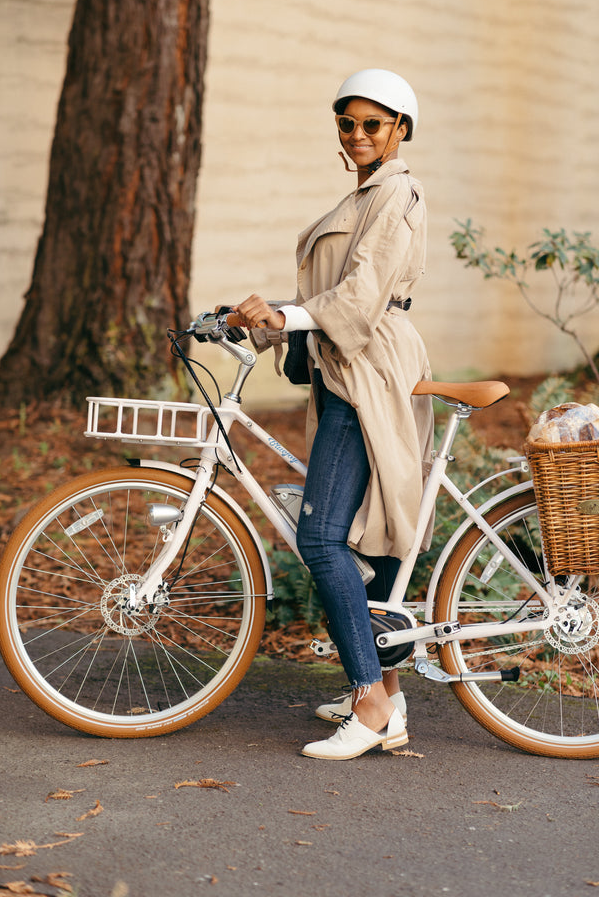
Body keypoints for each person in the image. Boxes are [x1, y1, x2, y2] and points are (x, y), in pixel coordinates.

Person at [234, 69, 434, 760]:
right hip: (346, 367)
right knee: (356, 535)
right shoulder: (367, 195)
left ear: (400, 128)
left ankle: (372, 705)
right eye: (347, 123)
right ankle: (389, 696)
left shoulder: (397, 195)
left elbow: (357, 300)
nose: (356, 135)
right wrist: (257, 322)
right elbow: (323, 296)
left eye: (371, 124)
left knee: (322, 539)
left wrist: (286, 315)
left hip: (367, 370)